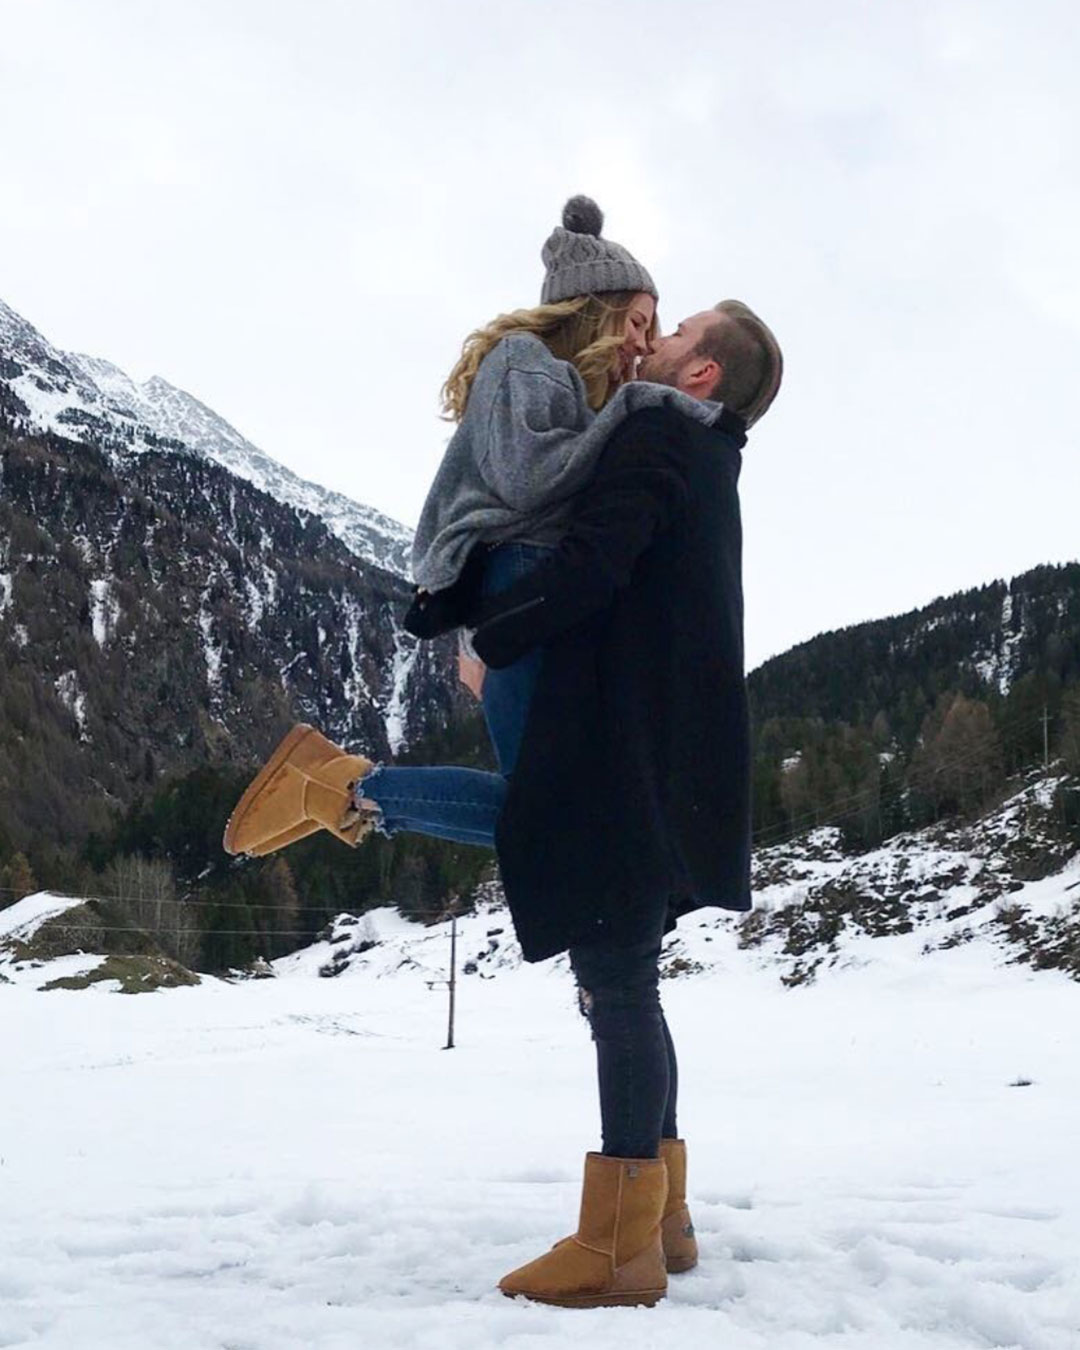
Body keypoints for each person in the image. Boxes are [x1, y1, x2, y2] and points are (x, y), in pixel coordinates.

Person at [222, 203, 783, 1309]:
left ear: (704, 371)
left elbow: (600, 554)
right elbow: (535, 499)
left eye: (669, 331)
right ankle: (651, 1216)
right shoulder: (596, 397)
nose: (650, 338)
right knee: (591, 905)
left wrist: (496, 632)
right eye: (640, 318)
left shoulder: (658, 429)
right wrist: (492, 623)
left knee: (583, 898)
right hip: (567, 661)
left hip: (573, 667)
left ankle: (347, 787)